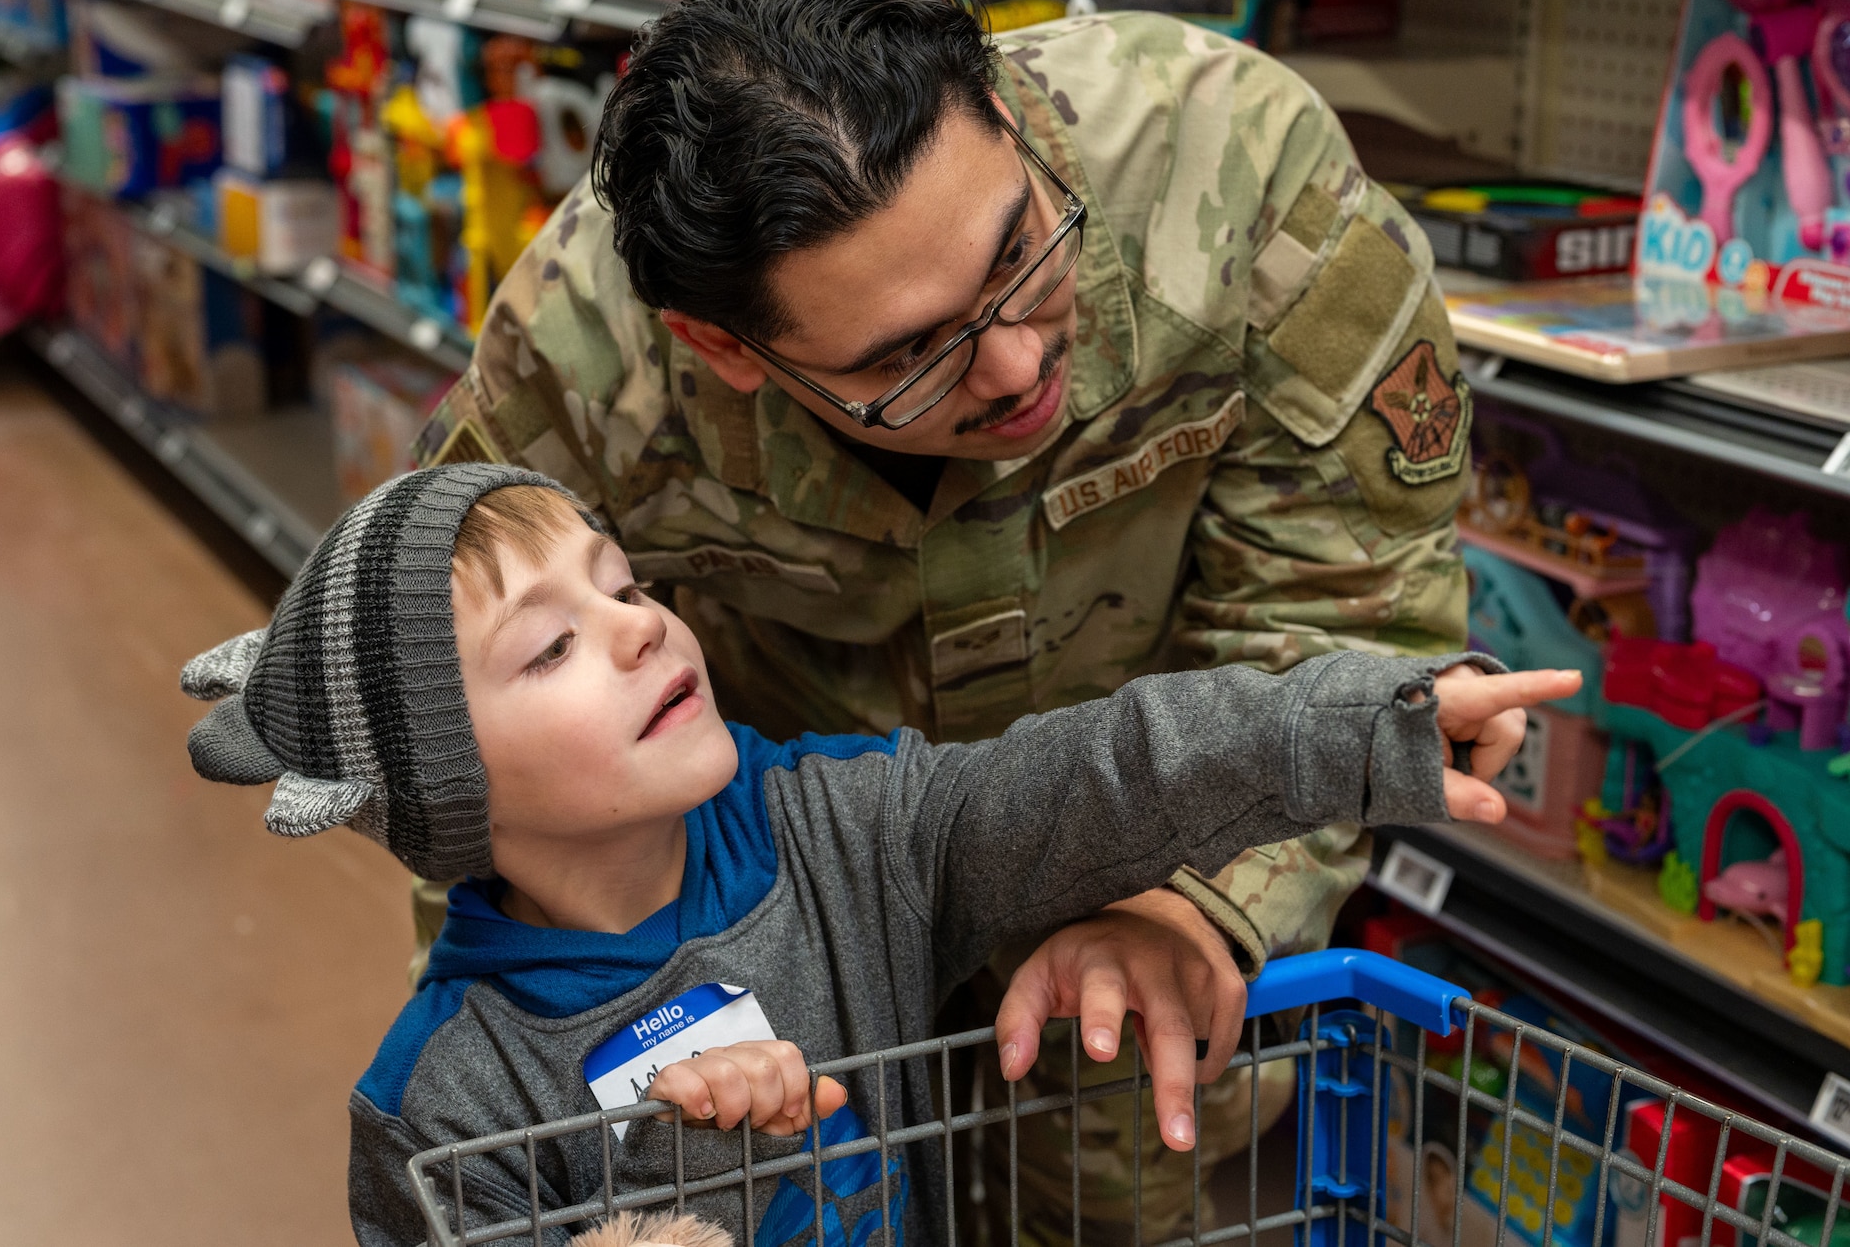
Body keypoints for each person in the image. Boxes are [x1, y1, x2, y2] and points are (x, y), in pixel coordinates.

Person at [411, 0, 1477, 1240]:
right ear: (721, 349)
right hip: (782, 907)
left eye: (1022, 254)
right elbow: (470, 756)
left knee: (1121, 1145)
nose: (1022, 363)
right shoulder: (578, 364)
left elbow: (1346, 601)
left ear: (1007, 115)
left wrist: (1194, 903)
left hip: (1150, 836)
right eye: (910, 356)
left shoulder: (1241, 176)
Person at [179, 465, 1573, 1247]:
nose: (638, 629)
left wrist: (1353, 729)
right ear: (446, 788)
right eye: (550, 646)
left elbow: (1098, 773)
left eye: (624, 584)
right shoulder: (446, 1098)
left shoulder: (849, 832)